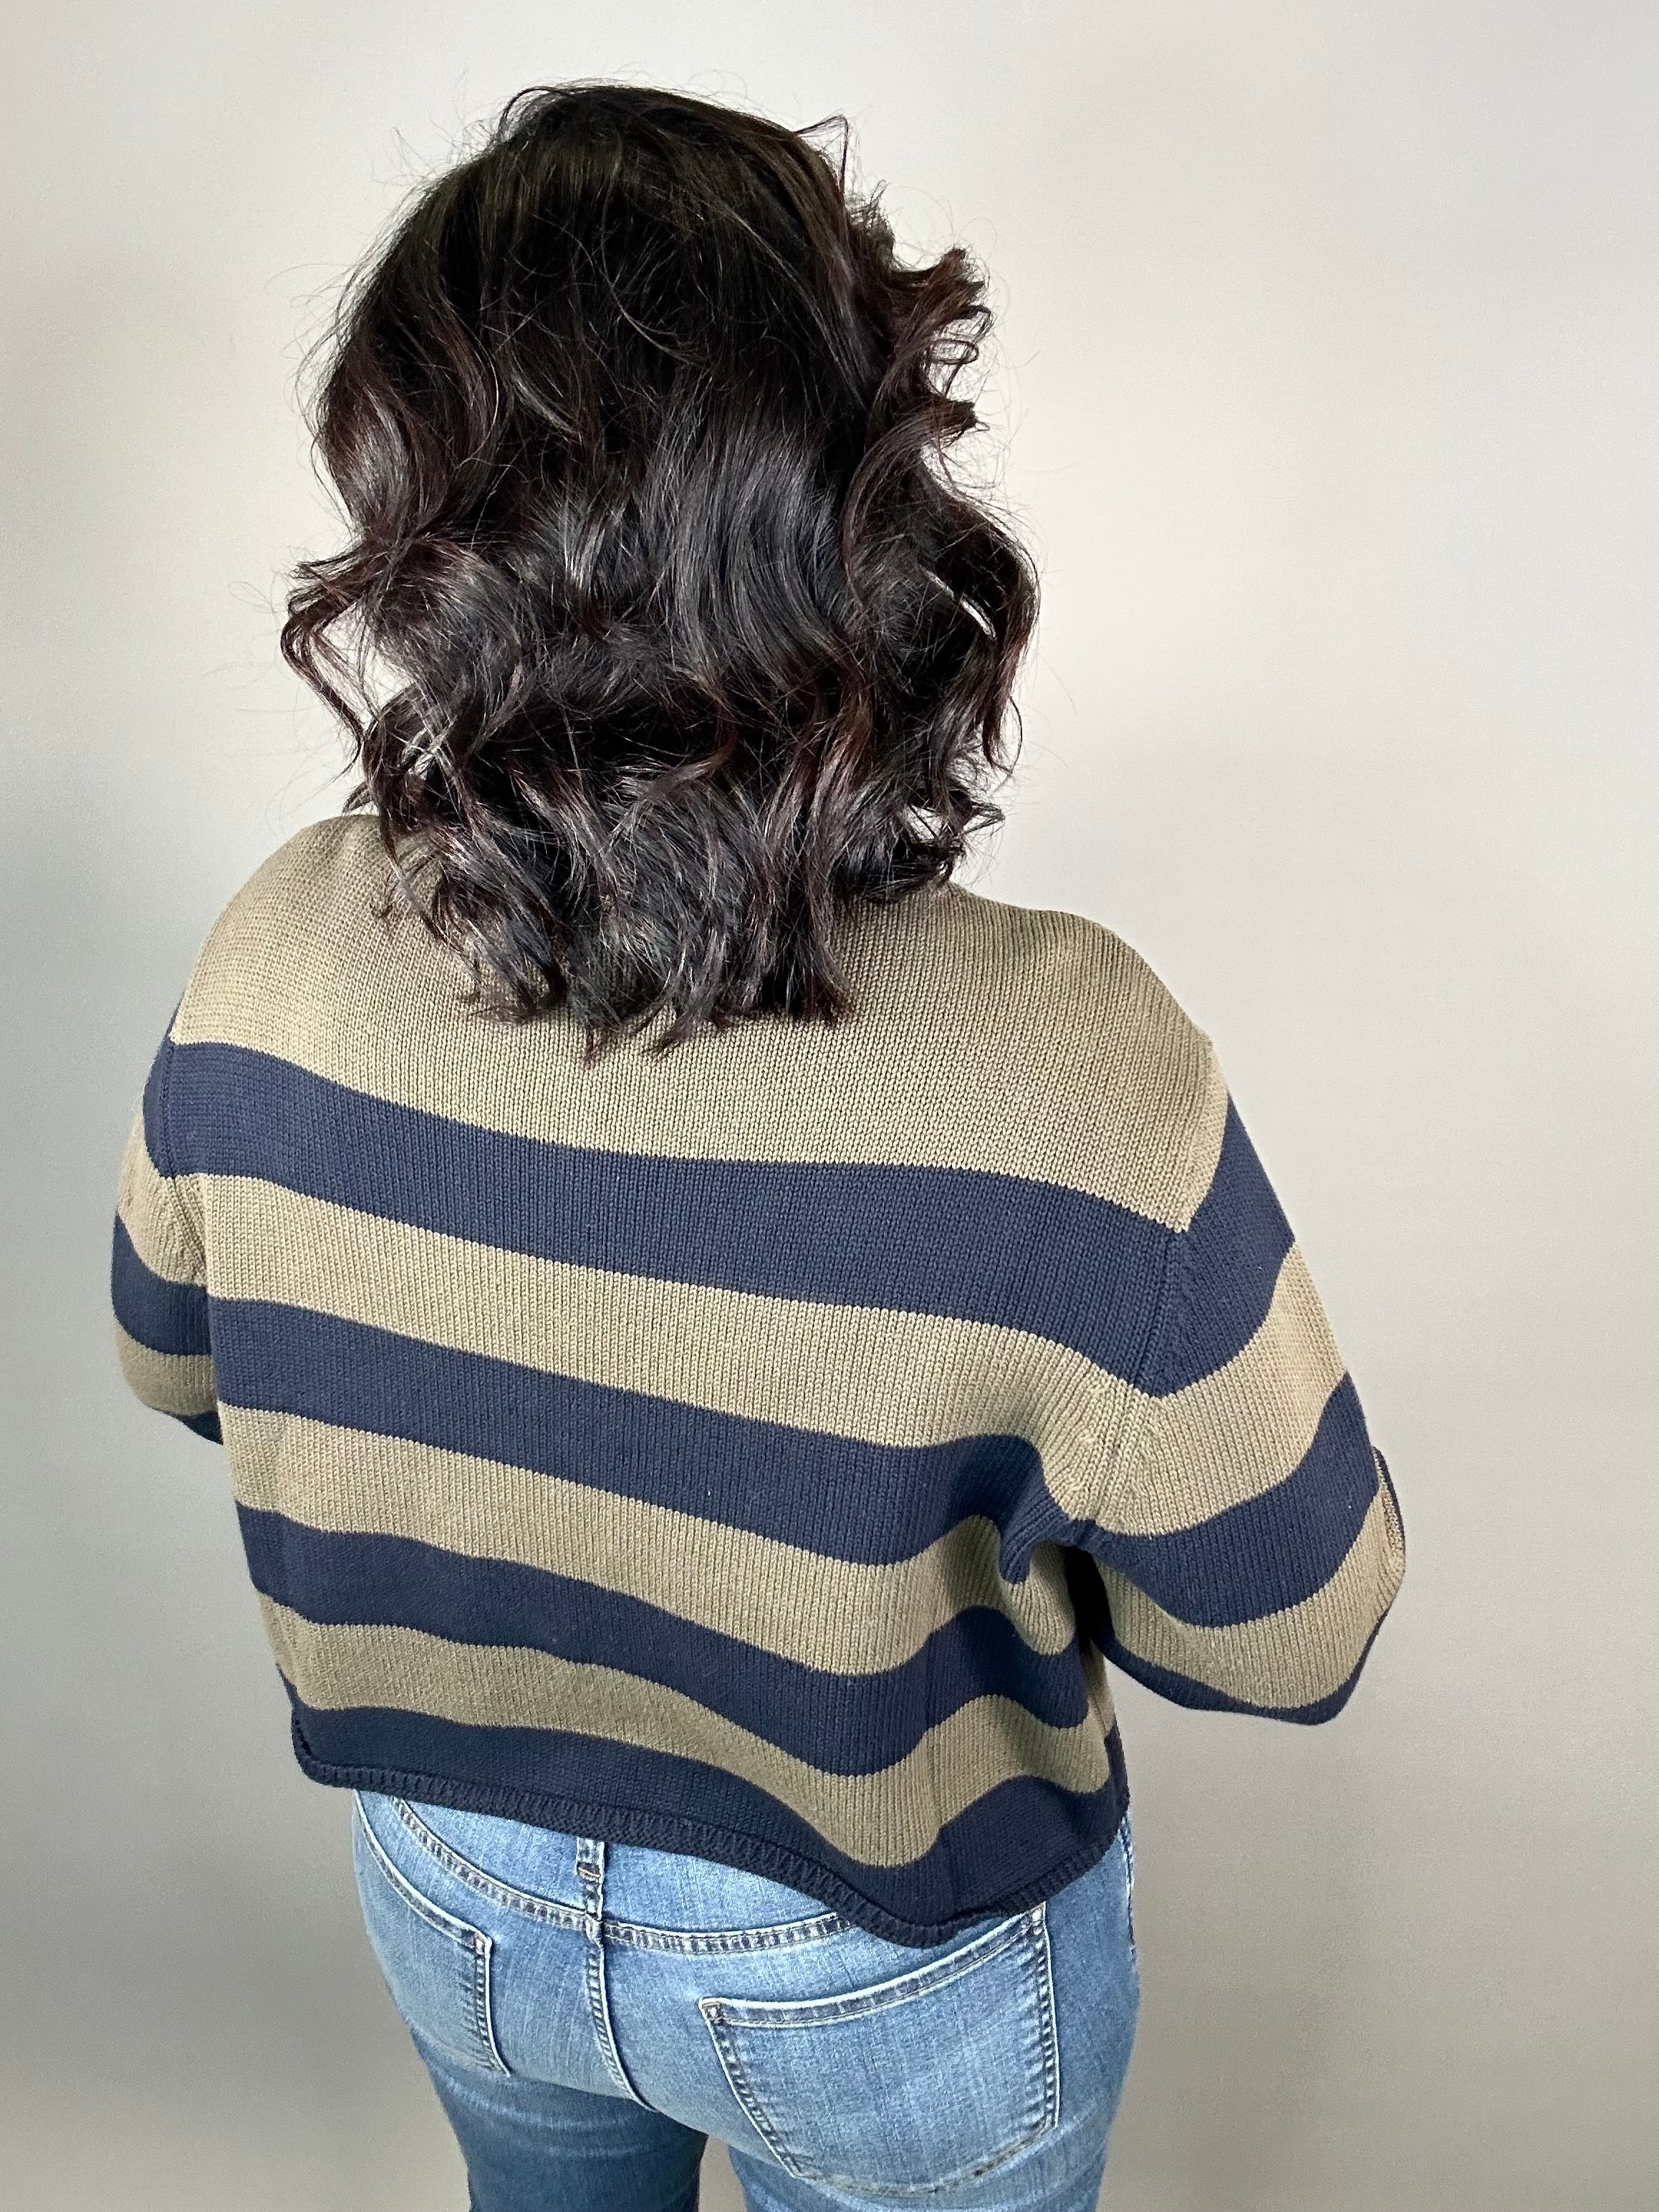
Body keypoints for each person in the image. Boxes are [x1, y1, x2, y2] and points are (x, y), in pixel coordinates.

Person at [110, 82, 1405, 2212]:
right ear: (864, 497)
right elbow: (1293, 1624)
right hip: (887, 1961)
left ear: (419, 514)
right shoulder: (1076, 1066)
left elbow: (176, 1363)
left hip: (455, 1887)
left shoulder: (271, 949)